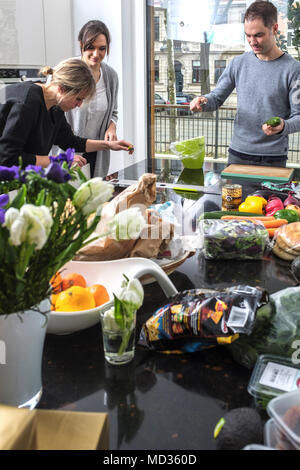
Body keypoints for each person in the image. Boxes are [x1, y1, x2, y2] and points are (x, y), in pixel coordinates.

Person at [190, 1, 300, 168]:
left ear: (275, 29)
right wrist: (203, 101)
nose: (252, 41)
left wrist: (284, 126)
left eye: (258, 35)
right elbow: (216, 98)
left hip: (273, 158)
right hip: (238, 154)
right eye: (247, 35)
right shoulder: (238, 63)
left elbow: (298, 117)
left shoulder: (293, 69)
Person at [0, 58, 133, 169]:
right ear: (61, 89)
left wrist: (108, 145)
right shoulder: (27, 104)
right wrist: (59, 160)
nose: (79, 105)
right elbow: (8, 157)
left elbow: (69, 141)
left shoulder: (55, 107)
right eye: (78, 99)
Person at [65, 20, 119, 178]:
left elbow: (113, 111)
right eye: (91, 47)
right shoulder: (67, 72)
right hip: (69, 153)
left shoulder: (111, 76)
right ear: (81, 44)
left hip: (97, 153)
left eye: (102, 48)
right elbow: (50, 121)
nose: (96, 54)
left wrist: (111, 127)